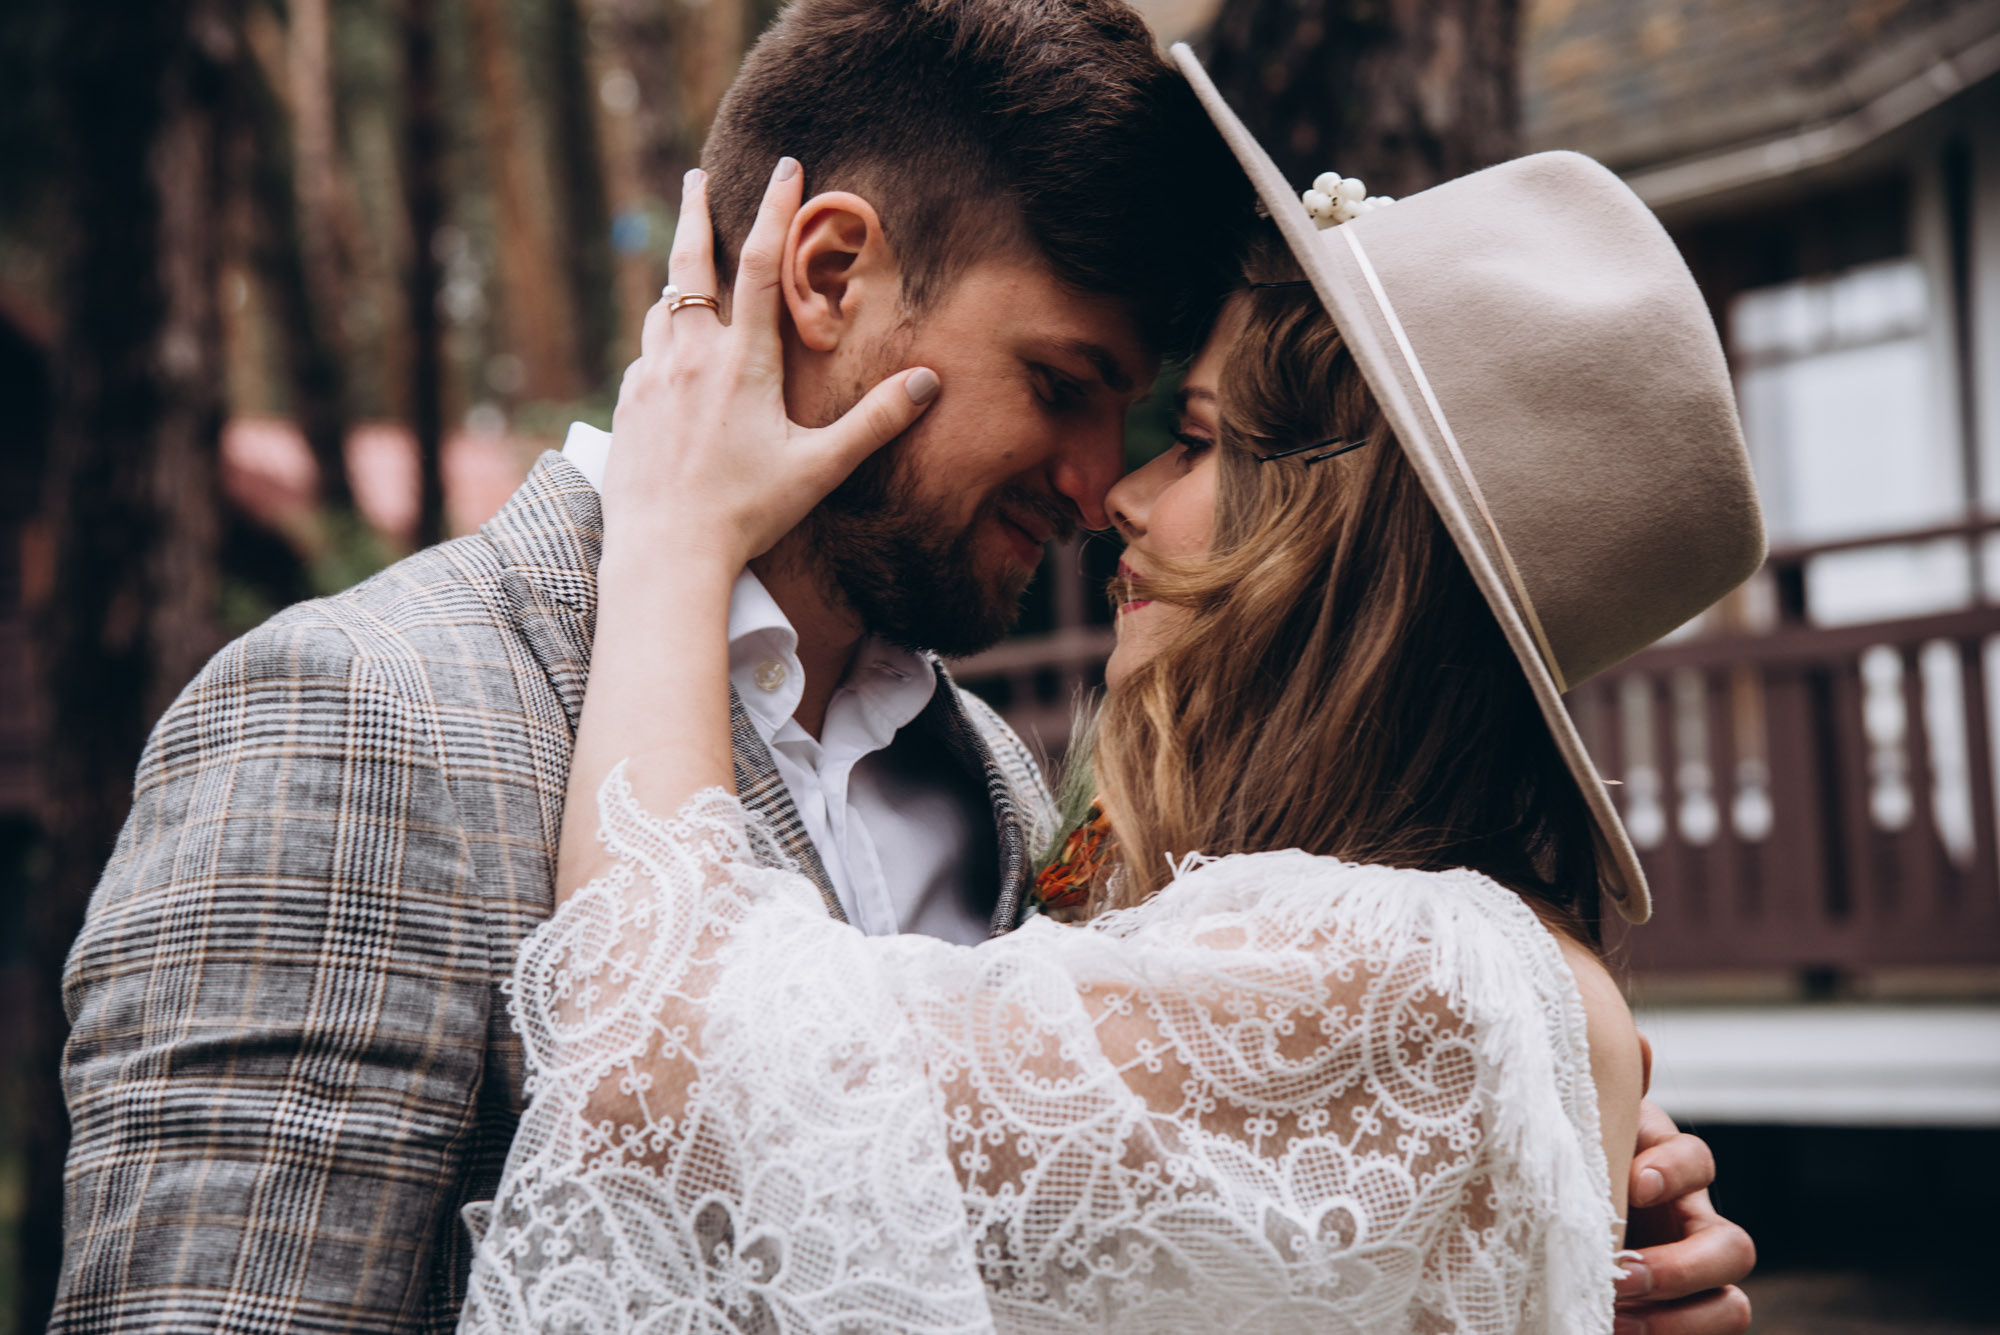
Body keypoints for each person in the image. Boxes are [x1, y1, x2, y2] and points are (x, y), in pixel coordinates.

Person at [56, 3, 1749, 1332]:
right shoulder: (362, 716)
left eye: (1158, 420)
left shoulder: (1000, 792)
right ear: (832, 273)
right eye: (1066, 380)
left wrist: (1526, 1195)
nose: (1102, 486)